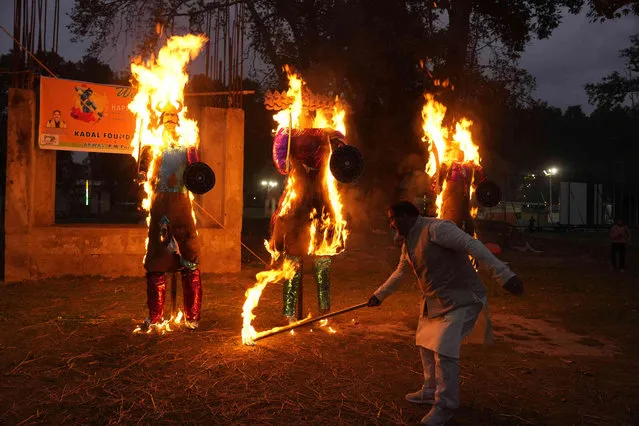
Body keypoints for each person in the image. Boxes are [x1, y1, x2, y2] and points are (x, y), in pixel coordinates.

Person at [367, 201, 523, 426]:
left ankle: (446, 405)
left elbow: (473, 246)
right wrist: (379, 295)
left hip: (462, 299)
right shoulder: (409, 241)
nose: (391, 224)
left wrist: (504, 275)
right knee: (425, 345)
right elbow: (401, 272)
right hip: (434, 302)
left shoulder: (437, 228)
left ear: (409, 216)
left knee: (444, 351)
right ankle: (430, 390)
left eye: (393, 218)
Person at [138, 102, 203, 330]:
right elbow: (143, 168)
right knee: (156, 260)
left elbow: (197, 172)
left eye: (172, 115)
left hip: (182, 205)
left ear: (178, 118)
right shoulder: (152, 143)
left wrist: (199, 178)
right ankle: (155, 317)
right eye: (165, 115)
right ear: (161, 118)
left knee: (190, 260)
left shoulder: (187, 145)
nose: (169, 119)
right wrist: (142, 173)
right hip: (160, 205)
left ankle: (192, 316)